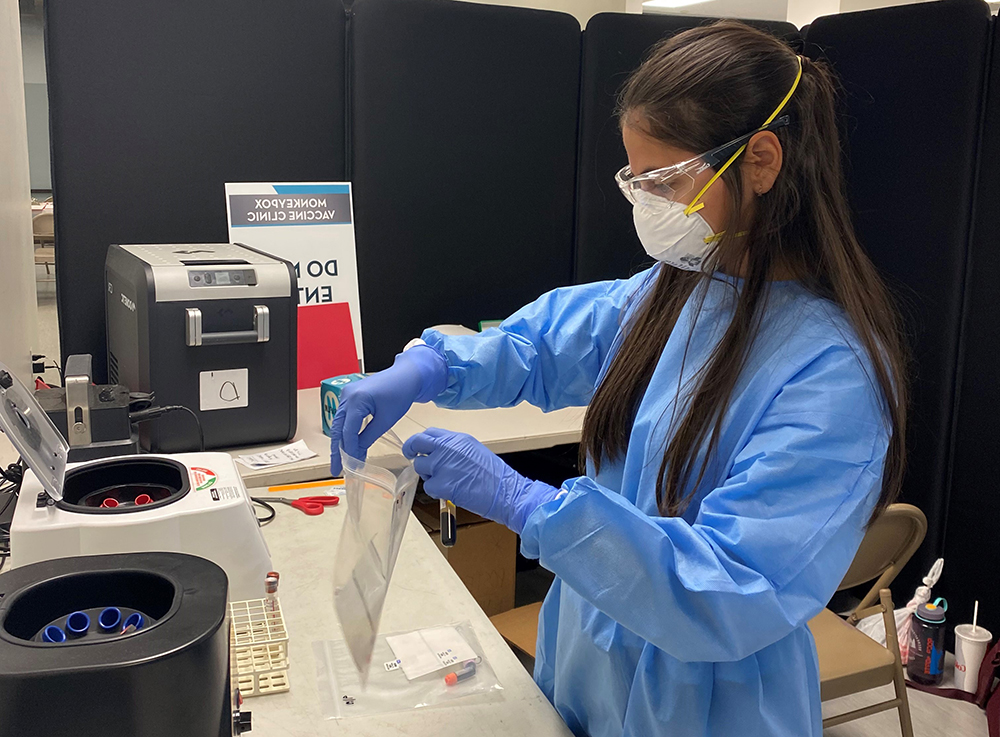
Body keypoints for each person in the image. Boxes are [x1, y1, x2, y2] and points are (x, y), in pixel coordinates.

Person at [329, 21, 908, 737]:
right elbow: (545, 343)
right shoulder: (677, 290)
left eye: (667, 181)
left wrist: (528, 506)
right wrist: (429, 366)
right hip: (590, 659)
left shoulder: (834, 374)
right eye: (637, 180)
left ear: (761, 161)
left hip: (709, 704)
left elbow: (728, 590)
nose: (648, 205)